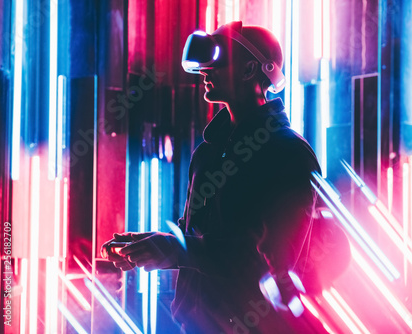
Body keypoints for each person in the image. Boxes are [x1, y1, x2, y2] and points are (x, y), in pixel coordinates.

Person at [102, 21, 323, 334]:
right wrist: (147, 245)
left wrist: (177, 249)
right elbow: (197, 233)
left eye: (217, 62)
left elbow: (273, 264)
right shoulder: (208, 153)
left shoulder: (288, 154)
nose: (205, 71)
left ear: (250, 70)